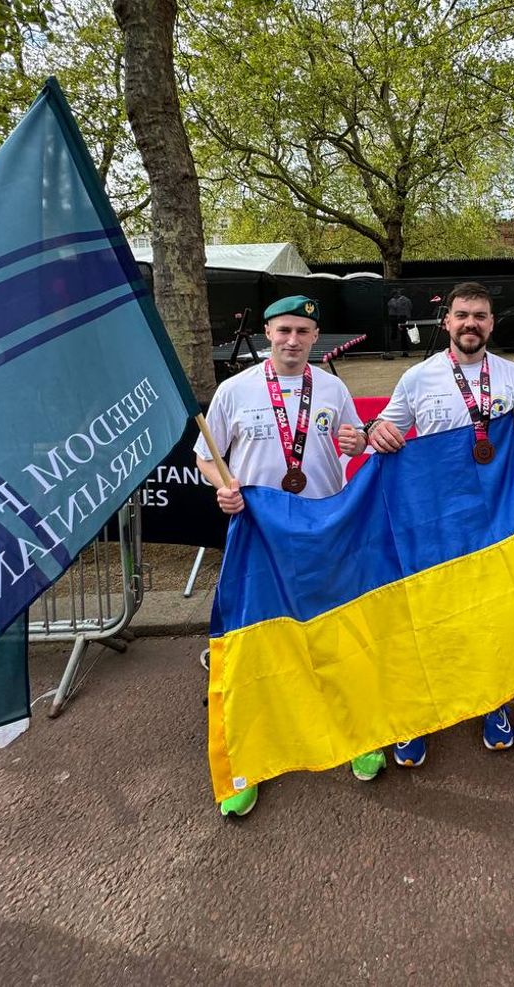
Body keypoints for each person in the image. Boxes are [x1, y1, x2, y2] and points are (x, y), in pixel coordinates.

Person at [195, 295, 375, 818]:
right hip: (260, 531)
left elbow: (351, 444)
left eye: (302, 331)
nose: (292, 340)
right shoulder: (236, 389)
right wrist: (223, 488)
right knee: (259, 639)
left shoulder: (334, 387)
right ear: (267, 334)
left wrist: (356, 438)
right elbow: (208, 457)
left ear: (315, 337)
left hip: (324, 527)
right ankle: (251, 758)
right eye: (283, 330)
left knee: (338, 630)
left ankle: (359, 732)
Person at [367, 281, 514, 768]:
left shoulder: (512, 377)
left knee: (491, 617)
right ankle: (419, 716)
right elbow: (386, 427)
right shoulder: (418, 378)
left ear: (491, 323)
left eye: (480, 316)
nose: (470, 324)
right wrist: (376, 431)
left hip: (494, 524)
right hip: (436, 523)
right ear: (446, 321)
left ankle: (491, 702)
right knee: (429, 619)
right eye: (462, 315)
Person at [386, 289, 414, 358]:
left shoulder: (394, 301)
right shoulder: (407, 300)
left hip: (398, 318)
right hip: (403, 318)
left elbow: (394, 307)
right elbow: (411, 307)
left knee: (397, 334)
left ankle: (394, 350)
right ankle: (404, 351)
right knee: (402, 334)